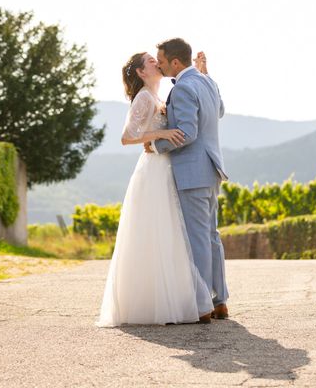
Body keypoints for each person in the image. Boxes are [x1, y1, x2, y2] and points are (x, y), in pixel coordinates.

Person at [96, 51, 214, 327]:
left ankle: (177, 299)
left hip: (166, 168)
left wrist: (201, 73)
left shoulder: (159, 96)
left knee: (171, 233)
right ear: (141, 72)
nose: (156, 62)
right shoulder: (144, 98)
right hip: (153, 171)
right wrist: (160, 134)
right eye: (150, 60)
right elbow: (127, 137)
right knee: (157, 231)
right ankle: (156, 303)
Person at [146, 38, 230, 323]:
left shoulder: (182, 87)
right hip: (211, 169)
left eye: (161, 60)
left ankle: (201, 305)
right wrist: (205, 71)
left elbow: (187, 132)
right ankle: (219, 301)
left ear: (176, 63)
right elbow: (218, 112)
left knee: (197, 240)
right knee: (211, 237)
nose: (158, 64)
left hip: (192, 172)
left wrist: (156, 146)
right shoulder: (207, 82)